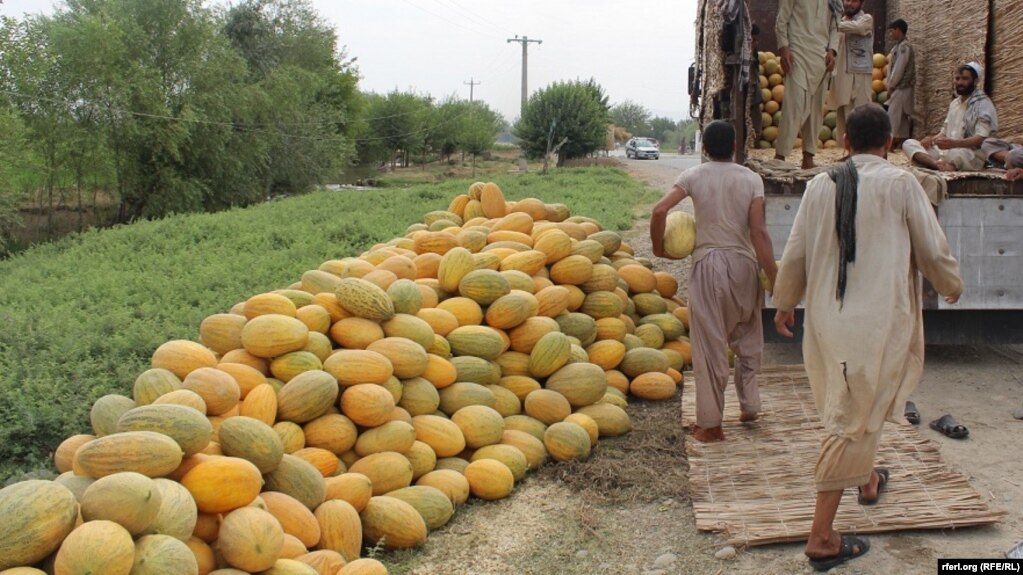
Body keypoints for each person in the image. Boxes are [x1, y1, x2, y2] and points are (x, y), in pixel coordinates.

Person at [772, 104, 962, 571]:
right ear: (891, 144)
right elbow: (932, 246)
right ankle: (820, 538)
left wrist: (783, 303)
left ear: (846, 144)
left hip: (827, 321)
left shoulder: (820, 184)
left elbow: (794, 251)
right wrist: (950, 284)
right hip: (877, 324)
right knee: (849, 420)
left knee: (858, 405)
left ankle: (868, 481)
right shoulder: (902, 183)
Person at [651, 120, 778, 443]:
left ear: (704, 149)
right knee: (749, 337)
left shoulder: (694, 176)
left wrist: (658, 248)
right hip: (745, 265)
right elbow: (759, 232)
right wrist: (774, 277)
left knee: (710, 345)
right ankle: (750, 405)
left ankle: (711, 423)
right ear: (735, 146)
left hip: (708, 265)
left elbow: (659, 210)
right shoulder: (751, 179)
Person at [774, 0, 839, 169]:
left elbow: (835, 26)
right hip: (797, 52)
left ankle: (808, 157)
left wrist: (832, 51)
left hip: (821, 57)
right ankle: (780, 156)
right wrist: (784, 48)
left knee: (816, 109)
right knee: (793, 104)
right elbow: (782, 20)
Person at [902, 62, 998, 172]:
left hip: (969, 153)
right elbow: (944, 131)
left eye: (965, 79)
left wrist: (954, 144)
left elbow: (981, 138)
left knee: (957, 154)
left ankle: (939, 165)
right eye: (957, 79)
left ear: (976, 81)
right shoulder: (955, 104)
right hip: (946, 151)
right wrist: (931, 140)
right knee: (909, 143)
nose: (960, 82)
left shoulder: (983, 104)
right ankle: (937, 164)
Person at [825, 0, 874, 145]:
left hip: (859, 76)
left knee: (861, 115)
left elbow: (857, 28)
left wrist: (831, 23)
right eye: (846, 0)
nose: (849, 4)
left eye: (854, 1)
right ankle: (848, 150)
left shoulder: (866, 19)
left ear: (861, 3)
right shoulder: (841, 22)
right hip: (842, 76)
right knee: (844, 115)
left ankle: (863, 151)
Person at [885, 19, 915, 146]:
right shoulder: (898, 47)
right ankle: (902, 142)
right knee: (901, 117)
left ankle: (888, 143)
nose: (890, 34)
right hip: (901, 87)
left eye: (892, 31)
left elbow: (899, 69)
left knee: (894, 115)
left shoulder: (904, 47)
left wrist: (891, 86)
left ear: (898, 30)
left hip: (901, 87)